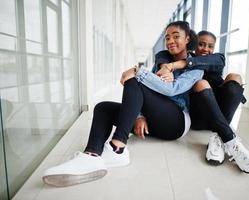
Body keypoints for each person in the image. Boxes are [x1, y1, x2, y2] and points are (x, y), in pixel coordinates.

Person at [42, 21, 203, 187]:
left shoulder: (196, 66)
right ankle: (91, 155)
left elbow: (172, 90)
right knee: (103, 108)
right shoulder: (162, 60)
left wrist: (137, 71)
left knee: (135, 80)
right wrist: (139, 115)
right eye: (168, 37)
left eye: (176, 37)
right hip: (152, 122)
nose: (170, 41)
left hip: (175, 123)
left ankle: (118, 147)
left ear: (188, 38)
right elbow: (149, 91)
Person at [155, 30, 249, 173]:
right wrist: (166, 66)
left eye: (210, 46)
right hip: (199, 116)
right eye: (201, 44)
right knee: (201, 82)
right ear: (193, 44)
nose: (206, 49)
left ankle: (218, 137)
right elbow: (161, 56)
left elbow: (219, 61)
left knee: (235, 77)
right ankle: (231, 140)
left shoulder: (216, 60)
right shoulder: (184, 56)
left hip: (221, 114)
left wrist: (176, 65)